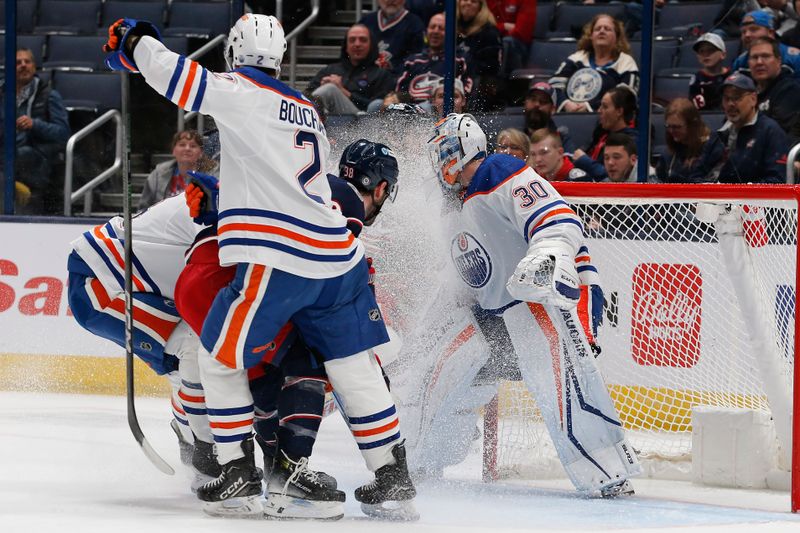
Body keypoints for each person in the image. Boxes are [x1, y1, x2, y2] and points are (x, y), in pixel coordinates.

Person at [103, 14, 417, 520]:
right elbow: (276, 175)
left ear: (234, 55)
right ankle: (392, 475)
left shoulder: (242, 90)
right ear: (280, 57)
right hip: (339, 258)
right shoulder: (306, 108)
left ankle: (237, 473)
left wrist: (137, 43)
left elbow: (177, 79)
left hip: (281, 257)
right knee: (351, 365)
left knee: (217, 356)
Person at [174, 139, 401, 520]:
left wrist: (217, 196)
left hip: (210, 277)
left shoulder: (304, 186)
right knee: (310, 359)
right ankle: (277, 476)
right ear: (380, 188)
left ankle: (243, 470)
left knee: (258, 369)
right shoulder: (341, 207)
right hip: (238, 278)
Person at [425, 113, 641, 497]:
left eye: (445, 149)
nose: (439, 159)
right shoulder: (452, 202)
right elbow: (461, 268)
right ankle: (423, 459)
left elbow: (559, 222)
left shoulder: (498, 170)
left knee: (565, 395)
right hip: (484, 316)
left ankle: (607, 476)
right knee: (439, 378)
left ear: (466, 146)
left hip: (530, 308)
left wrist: (545, 256)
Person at [66, 192, 220, 486]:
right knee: (194, 348)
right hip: (101, 284)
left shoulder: (229, 199)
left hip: (135, 281)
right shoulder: (219, 208)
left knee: (185, 359)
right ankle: (205, 448)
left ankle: (191, 439)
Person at [0, 48, 70, 215]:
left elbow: (63, 133)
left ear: (34, 66)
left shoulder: (49, 95)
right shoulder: (2, 96)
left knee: (21, 155)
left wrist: (35, 124)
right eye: (18, 62)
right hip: (6, 156)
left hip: (36, 159)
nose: (23, 65)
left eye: (27, 61)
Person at [689, 72, 789, 183]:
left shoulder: (771, 132)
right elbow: (695, 174)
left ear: (753, 99)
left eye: (736, 98)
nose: (730, 104)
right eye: (726, 99)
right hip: (709, 197)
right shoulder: (719, 132)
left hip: (745, 198)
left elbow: (777, 181)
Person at [549, 14, 639, 113]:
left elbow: (626, 96)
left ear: (616, 37)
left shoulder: (625, 62)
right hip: (569, 113)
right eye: (597, 29)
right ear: (591, 36)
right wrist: (566, 103)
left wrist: (589, 106)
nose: (602, 31)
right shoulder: (577, 58)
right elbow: (554, 84)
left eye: (607, 29)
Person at [306, 24, 396, 115]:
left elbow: (378, 107)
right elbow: (306, 96)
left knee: (330, 89)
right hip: (328, 119)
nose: (357, 44)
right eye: (352, 40)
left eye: (363, 40)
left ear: (371, 45)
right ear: (346, 46)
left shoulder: (382, 75)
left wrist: (344, 91)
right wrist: (320, 88)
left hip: (362, 122)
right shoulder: (329, 70)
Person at [395, 12, 471, 107]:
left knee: (427, 106)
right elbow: (399, 92)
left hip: (443, 111)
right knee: (376, 105)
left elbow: (464, 93)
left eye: (441, 28)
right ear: (426, 31)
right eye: (432, 27)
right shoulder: (412, 61)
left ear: (452, 33)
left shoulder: (459, 60)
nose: (435, 31)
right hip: (412, 112)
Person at [137, 129, 217, 210]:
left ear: (201, 153)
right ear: (174, 150)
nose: (187, 149)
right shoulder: (158, 174)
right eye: (182, 145)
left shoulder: (210, 175)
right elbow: (143, 208)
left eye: (193, 146)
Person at [748, 36, 800, 143]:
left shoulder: (790, 89)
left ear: (778, 61)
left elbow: (778, 134)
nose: (759, 62)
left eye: (765, 56)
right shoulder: (745, 91)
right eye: (754, 57)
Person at [457, 0, 503, 110]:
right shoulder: (451, 28)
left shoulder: (489, 32)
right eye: (464, 0)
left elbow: (490, 67)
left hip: (478, 81)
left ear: (480, 7)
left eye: (473, 1)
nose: (468, 3)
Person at [359, 0, 425, 73]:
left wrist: (393, 69)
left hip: (397, 80)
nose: (391, 1)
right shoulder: (366, 21)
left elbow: (417, 61)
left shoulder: (415, 25)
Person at [654, 98, 710, 183]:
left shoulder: (709, 150)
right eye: (668, 126)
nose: (671, 131)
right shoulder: (668, 155)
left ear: (692, 125)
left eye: (677, 127)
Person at [731, 10, 800, 77]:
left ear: (771, 33)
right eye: (743, 32)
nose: (747, 35)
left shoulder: (794, 58)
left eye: (753, 29)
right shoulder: (740, 62)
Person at [585, 86, 638, 164]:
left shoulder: (631, 140)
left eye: (605, 107)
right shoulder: (601, 132)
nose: (599, 110)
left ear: (619, 111)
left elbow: (613, 173)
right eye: (600, 106)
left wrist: (584, 161)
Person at [529, 128, 605, 182]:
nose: (537, 159)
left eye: (544, 152)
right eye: (533, 154)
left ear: (560, 153)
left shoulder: (579, 179)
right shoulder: (534, 179)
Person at [523, 81, 577, 154]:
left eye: (543, 101)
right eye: (533, 100)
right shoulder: (515, 137)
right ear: (525, 104)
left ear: (552, 109)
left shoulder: (562, 138)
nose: (537, 104)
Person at [486, 0, 537, 75]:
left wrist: (496, 29)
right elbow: (481, 26)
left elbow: (521, 33)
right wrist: (504, 26)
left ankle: (502, 82)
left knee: (507, 43)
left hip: (519, 46)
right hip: (494, 40)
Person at [689, 33, 730, 111]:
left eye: (711, 50)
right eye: (701, 51)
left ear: (723, 55)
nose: (706, 54)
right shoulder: (697, 79)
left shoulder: (732, 77)